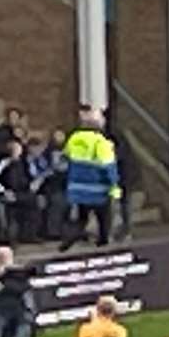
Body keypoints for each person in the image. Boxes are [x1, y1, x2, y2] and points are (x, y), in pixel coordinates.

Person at [60, 106, 119, 251]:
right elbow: (108, 167)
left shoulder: (74, 138)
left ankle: (68, 242)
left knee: (81, 218)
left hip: (78, 187)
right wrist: (114, 186)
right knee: (103, 218)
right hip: (98, 188)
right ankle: (103, 244)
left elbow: (66, 157)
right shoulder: (101, 142)